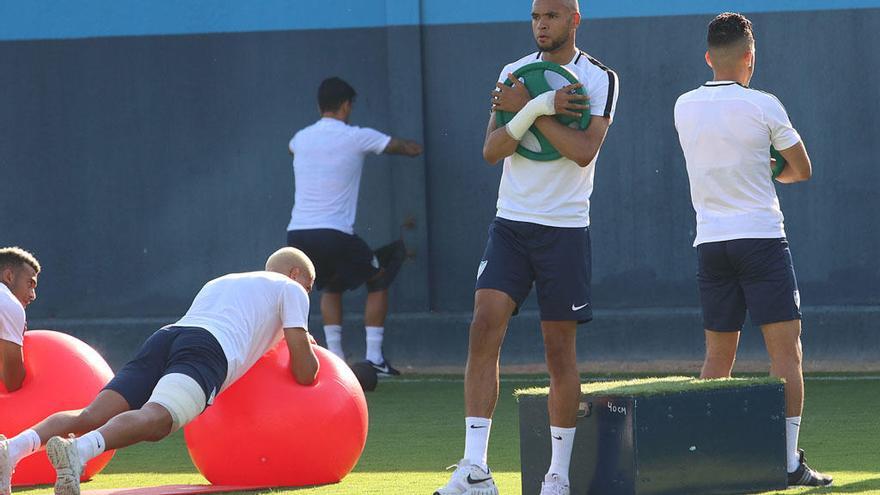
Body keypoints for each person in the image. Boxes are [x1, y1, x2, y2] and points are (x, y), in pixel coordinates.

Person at [435, 1, 618, 494]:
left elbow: (583, 153)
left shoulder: (600, 78)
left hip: (564, 230)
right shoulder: (513, 74)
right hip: (511, 225)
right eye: (537, 16)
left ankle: (556, 476)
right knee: (483, 325)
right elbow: (493, 150)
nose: (542, 24)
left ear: (574, 20)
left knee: (559, 350)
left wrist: (528, 112)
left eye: (553, 16)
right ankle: (475, 470)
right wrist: (537, 105)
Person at [0, 247, 319, 495]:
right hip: (208, 350)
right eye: (310, 285)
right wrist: (306, 343)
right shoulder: (291, 290)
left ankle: (10, 449)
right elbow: (306, 372)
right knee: (159, 419)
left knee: (91, 414)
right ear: (295, 274)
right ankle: (78, 451)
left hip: (167, 337)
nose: (309, 292)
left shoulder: (225, 281)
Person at [673, 12, 831, 488]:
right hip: (761, 241)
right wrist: (769, 167)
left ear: (707, 57)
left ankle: (701, 459)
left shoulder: (683, 105)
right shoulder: (765, 105)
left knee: (716, 360)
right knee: (786, 356)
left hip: (711, 245)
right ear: (750, 57)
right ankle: (787, 462)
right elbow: (800, 169)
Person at [286, 76, 422, 377]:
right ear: (346, 106)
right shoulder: (357, 136)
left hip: (297, 234)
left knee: (329, 285)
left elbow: (291, 148)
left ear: (320, 105)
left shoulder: (301, 138)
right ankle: (374, 357)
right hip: (334, 233)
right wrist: (414, 148)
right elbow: (398, 146)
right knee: (379, 277)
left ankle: (334, 359)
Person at [0, 247, 40, 393]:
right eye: (30, 284)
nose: (33, 295)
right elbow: (13, 381)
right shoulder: (8, 303)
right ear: (9, 276)